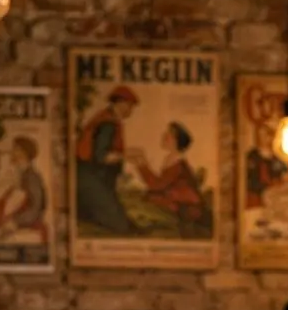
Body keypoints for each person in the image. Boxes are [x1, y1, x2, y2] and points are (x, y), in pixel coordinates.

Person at [75, 85, 139, 236]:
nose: (131, 110)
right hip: (89, 179)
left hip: (97, 179)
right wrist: (126, 156)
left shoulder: (108, 119)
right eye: (130, 106)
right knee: (120, 225)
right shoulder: (107, 123)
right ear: (120, 103)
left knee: (122, 221)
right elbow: (101, 156)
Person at [131, 122, 208, 232]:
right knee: (147, 198)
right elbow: (160, 184)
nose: (165, 136)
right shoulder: (171, 158)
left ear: (177, 141)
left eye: (170, 134)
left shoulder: (177, 162)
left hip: (187, 206)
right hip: (176, 200)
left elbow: (157, 185)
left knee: (148, 201)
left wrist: (141, 163)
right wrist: (141, 162)